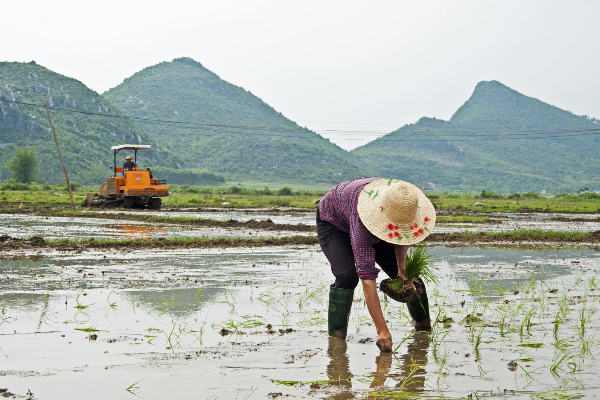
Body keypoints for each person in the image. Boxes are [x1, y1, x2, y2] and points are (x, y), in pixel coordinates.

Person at [317, 178, 436, 352]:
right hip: (334, 222)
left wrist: (402, 271)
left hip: (367, 213)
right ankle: (336, 341)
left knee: (408, 276)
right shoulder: (363, 221)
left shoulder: (401, 201)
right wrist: (382, 330)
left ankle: (424, 328)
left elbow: (403, 235)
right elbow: (367, 279)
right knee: (347, 276)